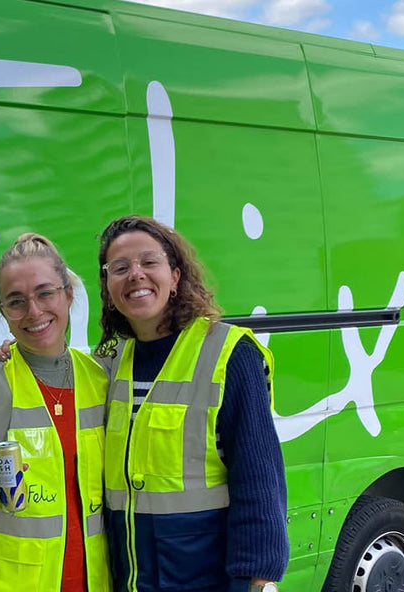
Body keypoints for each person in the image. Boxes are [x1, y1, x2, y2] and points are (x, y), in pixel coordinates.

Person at [96, 215, 287, 592]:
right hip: (133, 580)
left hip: (208, 579)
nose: (135, 275)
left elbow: (259, 476)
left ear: (176, 276)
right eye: (120, 268)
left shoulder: (229, 352)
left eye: (149, 262)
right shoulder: (110, 361)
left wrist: (260, 580)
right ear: (107, 287)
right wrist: (12, 357)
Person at [0, 233, 112, 592]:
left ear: (69, 295)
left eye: (46, 293)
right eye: (16, 302)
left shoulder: (103, 380)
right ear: (2, 311)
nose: (34, 312)